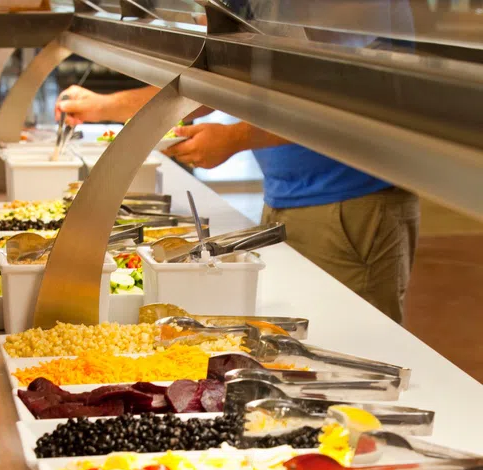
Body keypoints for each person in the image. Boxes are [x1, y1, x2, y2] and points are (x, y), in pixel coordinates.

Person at [56, 83, 419, 324]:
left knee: (354, 347)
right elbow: (204, 83)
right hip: (287, 199)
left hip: (351, 204)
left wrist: (234, 138)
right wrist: (103, 105)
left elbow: (344, 97)